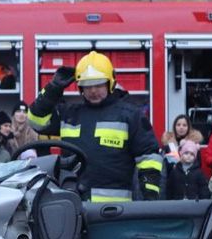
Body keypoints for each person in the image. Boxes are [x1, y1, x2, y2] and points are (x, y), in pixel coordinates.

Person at [29, 51, 162, 202]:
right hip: (73, 207)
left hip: (115, 212)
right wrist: (53, 89)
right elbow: (36, 121)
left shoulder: (130, 115)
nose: (93, 91)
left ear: (110, 82)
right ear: (80, 88)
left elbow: (149, 157)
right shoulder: (69, 114)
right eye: (87, 86)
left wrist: (151, 196)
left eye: (98, 85)